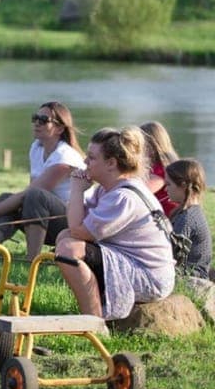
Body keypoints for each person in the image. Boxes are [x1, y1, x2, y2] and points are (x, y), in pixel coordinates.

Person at [55, 127, 176, 320]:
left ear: (111, 163)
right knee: (64, 237)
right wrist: (78, 192)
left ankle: (94, 322)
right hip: (131, 261)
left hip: (150, 276)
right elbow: (75, 225)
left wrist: (77, 190)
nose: (85, 162)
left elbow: (78, 231)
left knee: (69, 248)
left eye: (91, 157)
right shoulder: (109, 189)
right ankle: (94, 310)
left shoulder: (123, 197)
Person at [0, 102, 85, 260]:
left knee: (35, 197)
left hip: (71, 225)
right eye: (35, 118)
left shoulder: (65, 158)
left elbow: (31, 194)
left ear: (60, 128)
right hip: (47, 217)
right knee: (7, 199)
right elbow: (28, 193)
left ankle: (33, 261)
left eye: (43, 120)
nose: (37, 122)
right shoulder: (37, 148)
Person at [165, 158, 213, 279]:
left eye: (169, 184)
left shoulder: (187, 218)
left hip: (193, 277)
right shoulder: (188, 212)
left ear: (183, 185)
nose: (166, 189)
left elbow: (171, 255)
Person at [140, 121, 179, 217]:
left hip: (166, 216)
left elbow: (140, 192)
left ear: (151, 144)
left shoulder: (162, 167)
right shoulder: (162, 163)